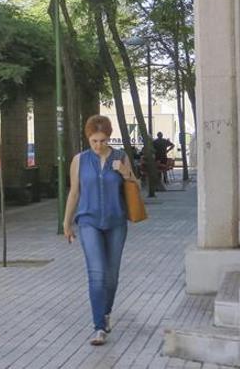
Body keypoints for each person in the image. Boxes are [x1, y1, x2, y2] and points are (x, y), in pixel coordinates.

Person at [63, 115, 139, 346]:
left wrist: (125, 172)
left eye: (103, 140)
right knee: (96, 274)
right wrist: (66, 222)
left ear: (109, 137)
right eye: (94, 141)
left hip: (116, 222)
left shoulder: (120, 156)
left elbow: (135, 185)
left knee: (111, 275)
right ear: (88, 138)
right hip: (88, 222)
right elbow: (74, 192)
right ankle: (98, 328)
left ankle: (106, 314)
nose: (98, 145)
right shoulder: (80, 160)